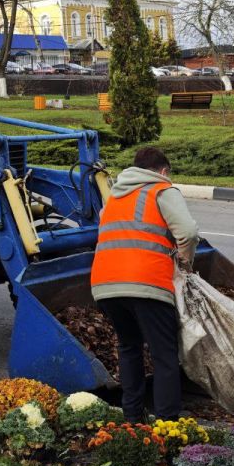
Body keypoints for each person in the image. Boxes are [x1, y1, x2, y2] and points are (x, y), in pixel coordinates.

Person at [90, 146, 199, 422]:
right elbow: (187, 233)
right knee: (164, 356)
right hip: (148, 284)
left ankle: (133, 418)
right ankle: (166, 424)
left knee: (129, 348)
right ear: (163, 171)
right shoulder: (162, 190)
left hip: (106, 286)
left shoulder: (113, 197)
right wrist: (185, 265)